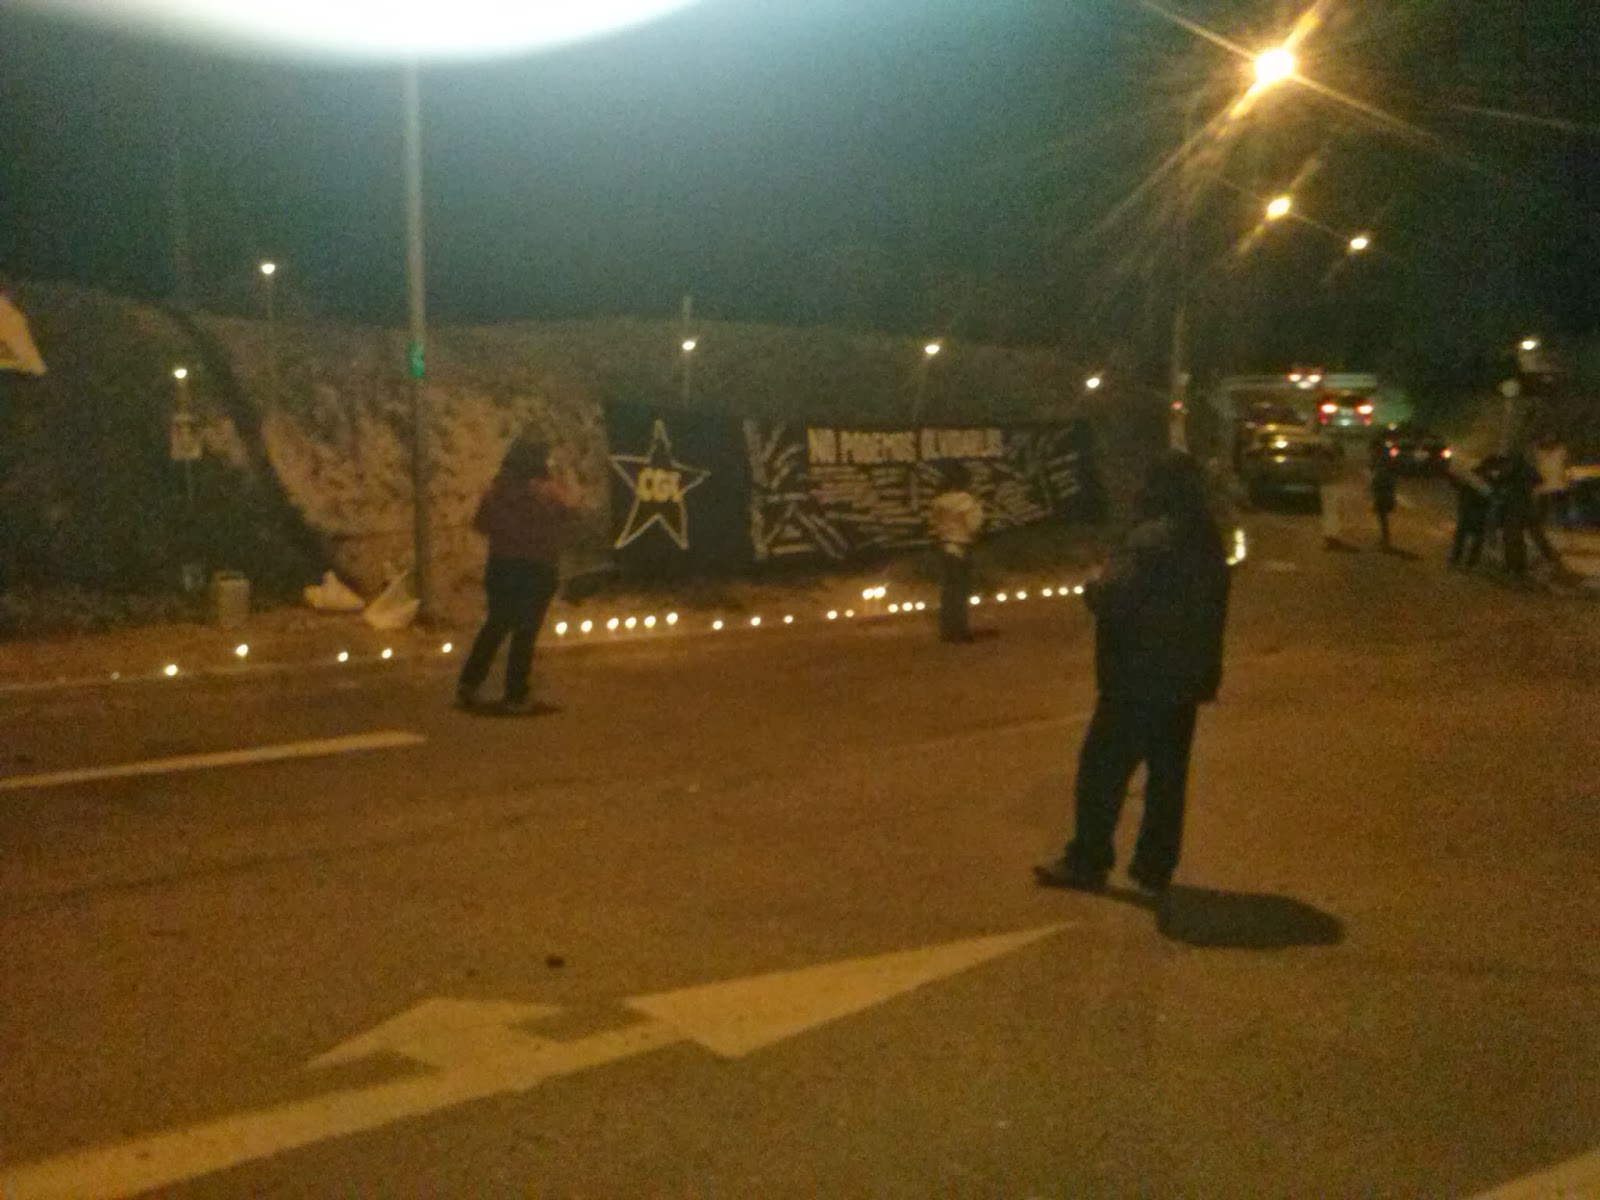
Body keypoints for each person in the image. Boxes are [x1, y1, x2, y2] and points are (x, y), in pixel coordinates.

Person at [1035, 451, 1231, 895]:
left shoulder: (1148, 541)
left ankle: (1088, 859)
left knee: (1101, 770)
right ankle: (1154, 866)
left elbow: (1115, 597)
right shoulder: (1206, 540)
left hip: (1137, 678)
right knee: (1167, 778)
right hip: (1185, 679)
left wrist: (1092, 589)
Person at [456, 439, 582, 712]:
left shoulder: (495, 490)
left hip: (501, 565)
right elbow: (572, 511)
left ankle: (468, 683)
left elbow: (481, 525)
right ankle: (515, 693)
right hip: (537, 567)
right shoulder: (547, 492)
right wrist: (562, 475)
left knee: (496, 624)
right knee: (526, 631)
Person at [927, 463, 984, 643]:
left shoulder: (937, 502)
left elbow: (933, 527)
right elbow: (974, 525)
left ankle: (947, 629)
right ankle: (960, 630)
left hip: (943, 547)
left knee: (948, 591)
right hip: (961, 546)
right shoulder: (966, 501)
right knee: (960, 591)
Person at [1446, 454, 1494, 568]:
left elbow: (1459, 485)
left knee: (1465, 534)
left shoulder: (1478, 478)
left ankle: (1461, 559)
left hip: (1473, 508)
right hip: (1473, 508)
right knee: (1469, 535)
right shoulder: (1479, 478)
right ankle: (1464, 560)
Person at [1368, 436, 1399, 550]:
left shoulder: (1382, 459)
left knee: (1382, 515)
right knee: (1382, 515)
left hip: (1383, 490)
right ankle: (1384, 538)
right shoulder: (1384, 457)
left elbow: (1380, 475)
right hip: (1384, 489)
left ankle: (1385, 539)